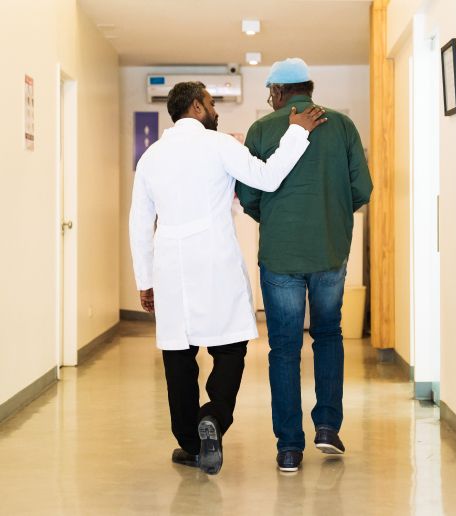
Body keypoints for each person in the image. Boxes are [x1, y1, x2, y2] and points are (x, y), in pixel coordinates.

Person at [129, 81, 326, 475]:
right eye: (212, 102)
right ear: (198, 107)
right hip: (214, 259)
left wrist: (145, 279)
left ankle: (189, 444)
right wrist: (297, 132)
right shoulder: (218, 146)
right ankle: (214, 418)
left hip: (171, 265)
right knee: (231, 348)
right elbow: (267, 177)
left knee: (178, 358)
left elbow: (139, 223)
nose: (215, 109)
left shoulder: (151, 156)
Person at [236, 58, 373, 472]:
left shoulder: (261, 129)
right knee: (329, 335)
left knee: (284, 348)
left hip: (281, 255)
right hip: (330, 250)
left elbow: (248, 194)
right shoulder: (343, 126)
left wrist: (277, 220)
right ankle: (328, 427)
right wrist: (331, 216)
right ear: (308, 88)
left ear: (277, 93)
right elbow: (361, 188)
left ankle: (289, 448)